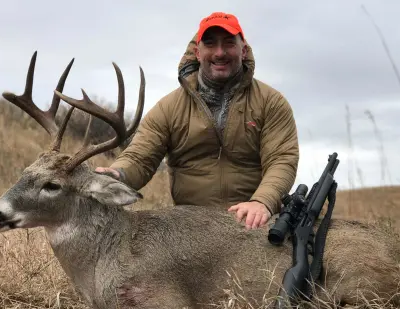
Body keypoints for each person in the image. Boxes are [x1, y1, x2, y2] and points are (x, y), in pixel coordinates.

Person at [96, 12, 299, 230]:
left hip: (254, 223)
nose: (219, 53)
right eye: (210, 44)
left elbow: (281, 159)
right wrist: (117, 174)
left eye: (229, 43)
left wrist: (263, 202)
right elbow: (140, 157)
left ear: (244, 50)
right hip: (191, 228)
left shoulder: (270, 102)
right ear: (198, 53)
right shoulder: (169, 107)